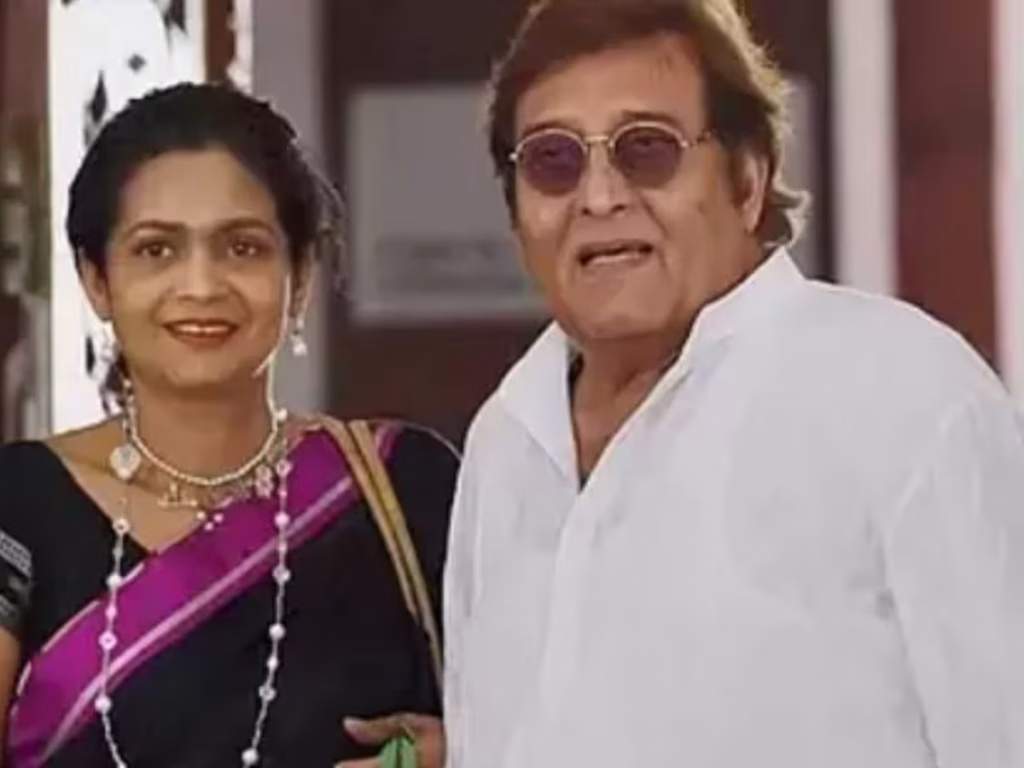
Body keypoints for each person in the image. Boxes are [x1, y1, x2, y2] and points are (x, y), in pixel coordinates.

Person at [442, 0, 1024, 766]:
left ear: (748, 180)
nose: (600, 197)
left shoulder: (902, 392)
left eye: (647, 149)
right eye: (554, 161)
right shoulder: (506, 439)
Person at [0, 83, 449, 767]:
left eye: (243, 248)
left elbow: (551, 727)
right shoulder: (18, 508)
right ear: (97, 280)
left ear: (300, 275)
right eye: (156, 250)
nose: (202, 286)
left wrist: (459, 755)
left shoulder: (403, 485)